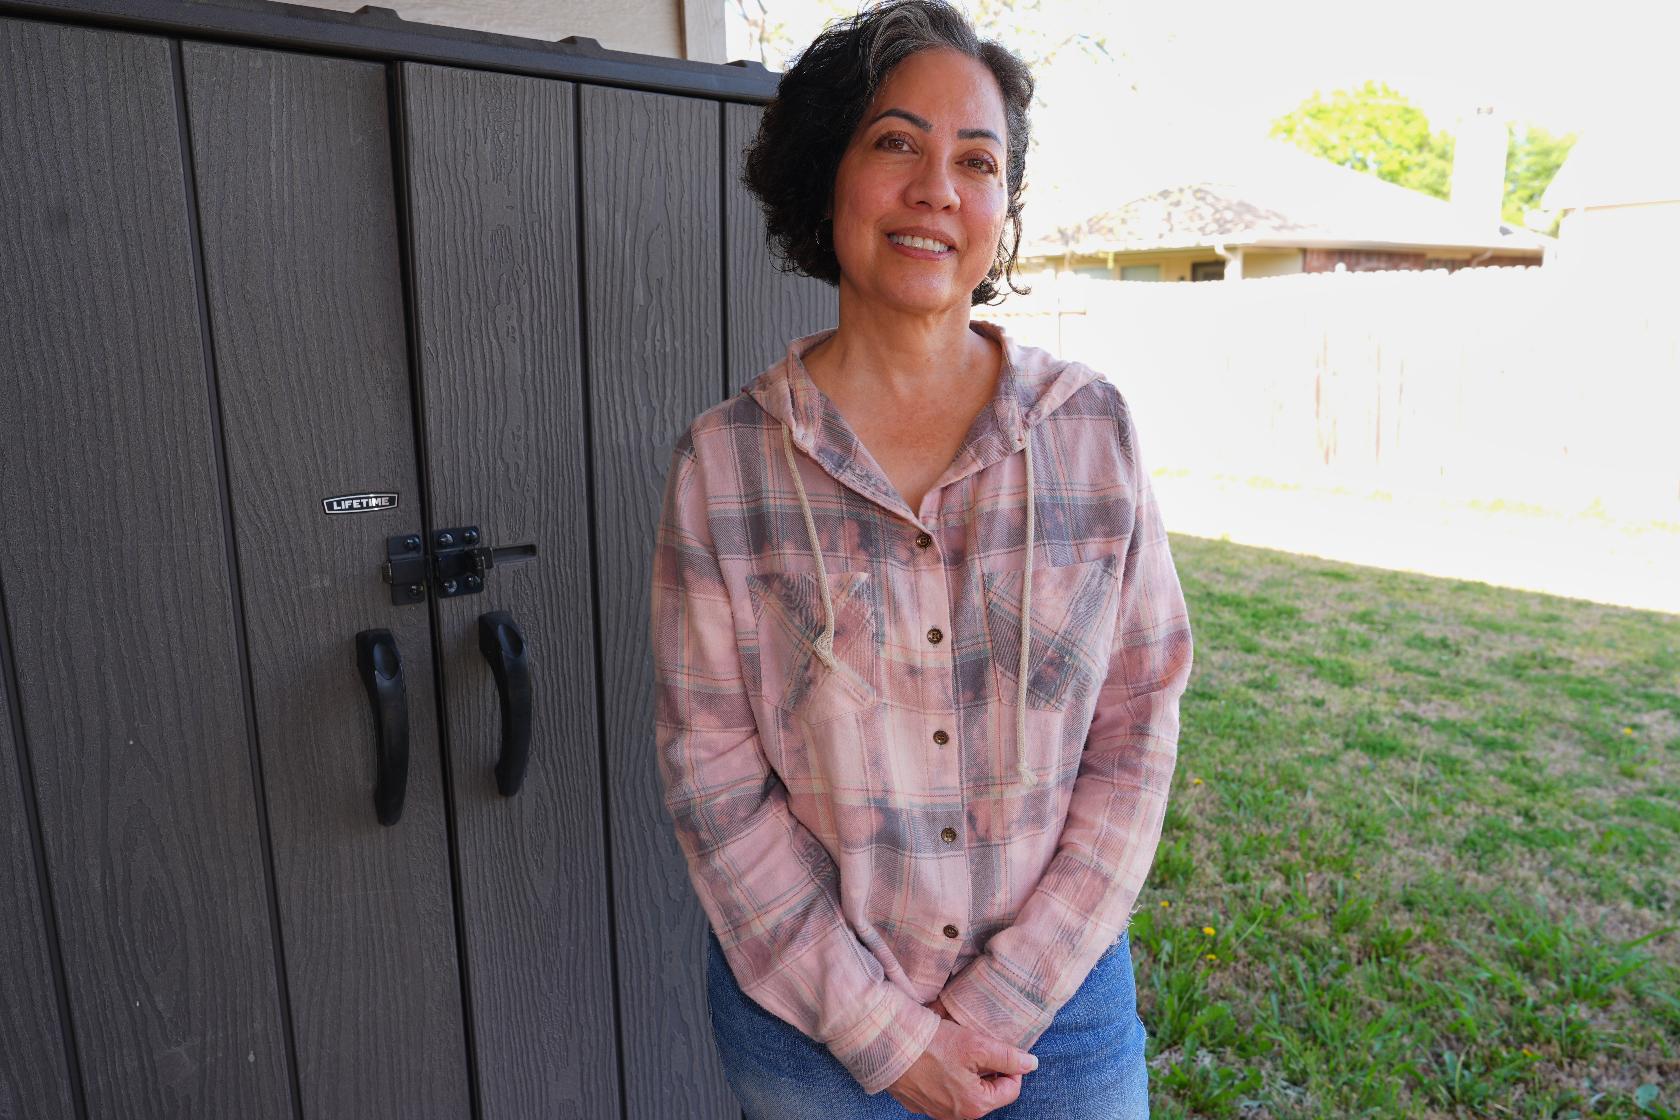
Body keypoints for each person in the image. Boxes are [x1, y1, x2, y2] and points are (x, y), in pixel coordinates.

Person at [649, 1, 1194, 1116]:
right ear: (827, 175)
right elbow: (713, 776)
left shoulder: (1090, 432)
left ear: (1002, 208)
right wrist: (885, 1036)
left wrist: (1004, 999)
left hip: (1060, 1022)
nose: (938, 188)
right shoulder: (725, 466)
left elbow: (1138, 726)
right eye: (897, 142)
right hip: (811, 1032)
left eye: (977, 160)